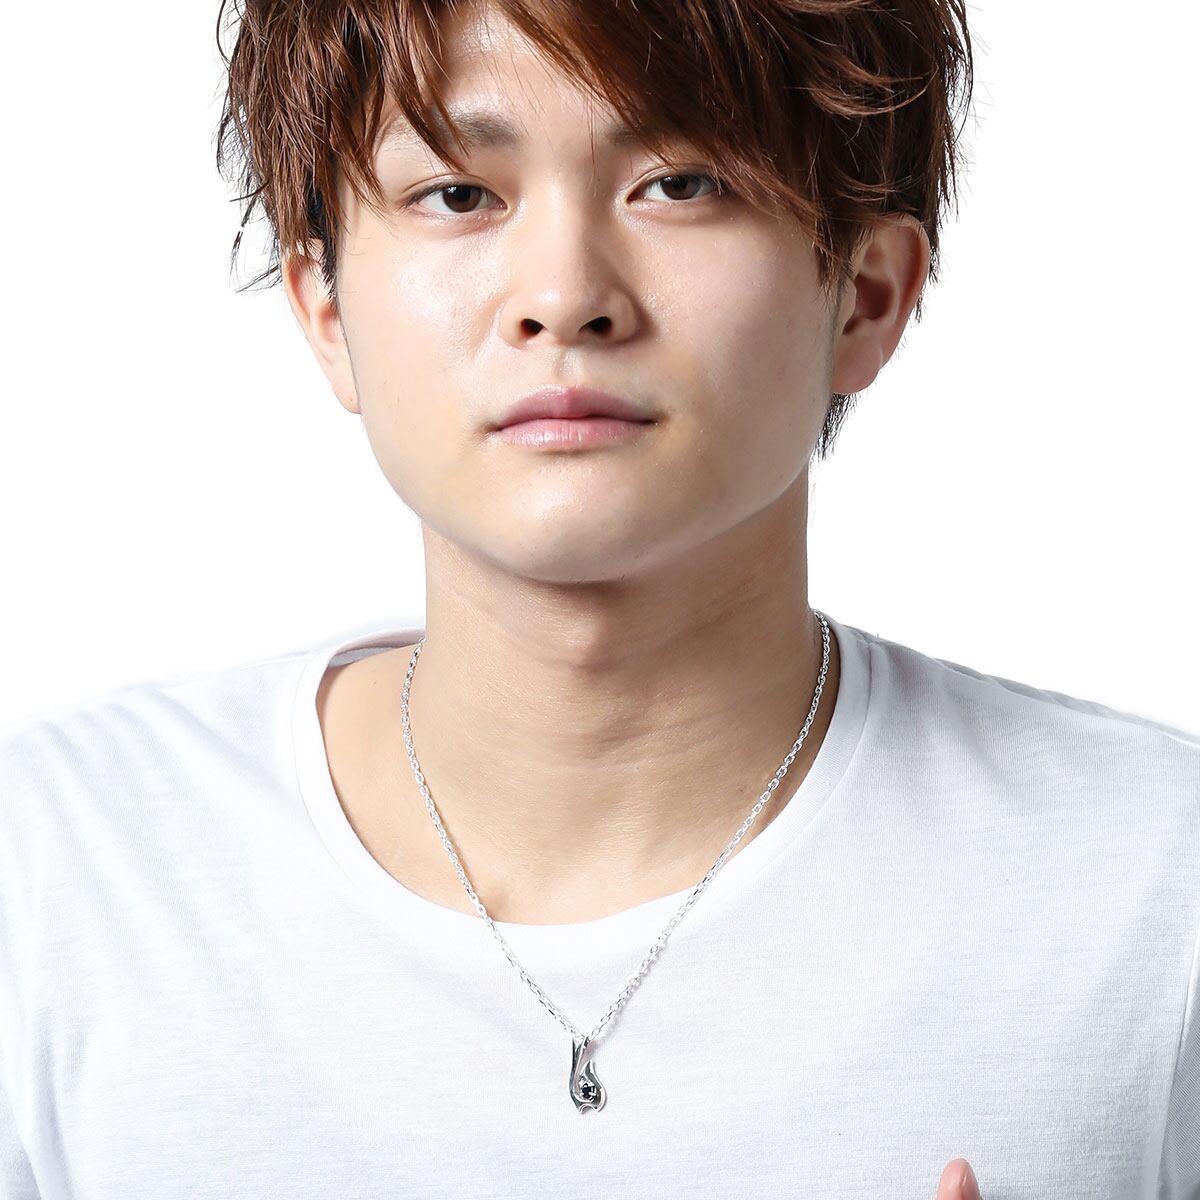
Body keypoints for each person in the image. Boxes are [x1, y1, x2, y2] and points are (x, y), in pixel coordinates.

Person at [1, 0, 1196, 1195]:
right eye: (458, 194)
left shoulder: (1151, 882)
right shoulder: (63, 867)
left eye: (680, 184)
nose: (564, 296)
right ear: (324, 305)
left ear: (866, 297)